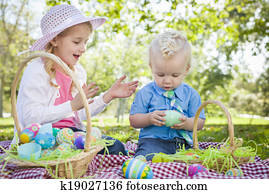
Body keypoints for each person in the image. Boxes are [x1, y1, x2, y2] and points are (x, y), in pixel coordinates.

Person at [11, 4, 138, 156]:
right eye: (77, 42)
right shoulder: (37, 70)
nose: (83, 48)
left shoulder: (78, 73)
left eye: (86, 42)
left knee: (115, 146)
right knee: (67, 153)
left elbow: (81, 114)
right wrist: (71, 105)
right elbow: (30, 116)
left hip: (72, 134)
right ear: (55, 40)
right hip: (41, 138)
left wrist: (108, 96)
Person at [129, 30, 205, 160]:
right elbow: (134, 120)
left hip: (182, 143)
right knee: (146, 158)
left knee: (195, 160)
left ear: (186, 69)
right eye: (160, 75)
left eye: (175, 75)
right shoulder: (146, 93)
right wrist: (148, 118)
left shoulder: (191, 95)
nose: (167, 81)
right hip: (153, 141)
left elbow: (200, 123)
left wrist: (186, 123)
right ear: (151, 67)